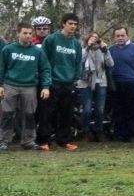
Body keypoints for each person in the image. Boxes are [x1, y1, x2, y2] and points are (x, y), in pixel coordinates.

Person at [1, 22, 48, 151]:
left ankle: (28, 142)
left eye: (29, 33)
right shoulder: (8, 49)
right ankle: (4, 141)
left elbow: (45, 69)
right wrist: (0, 85)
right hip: (10, 85)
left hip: (30, 87)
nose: (28, 36)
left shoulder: (37, 51)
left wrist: (45, 86)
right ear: (18, 33)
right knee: (7, 114)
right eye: (25, 33)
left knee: (29, 115)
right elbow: (1, 67)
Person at [40, 14, 84, 150]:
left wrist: (74, 79)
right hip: (52, 82)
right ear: (63, 24)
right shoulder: (51, 39)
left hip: (68, 84)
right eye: (70, 23)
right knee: (47, 113)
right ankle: (44, 141)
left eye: (75, 24)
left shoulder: (76, 43)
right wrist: (46, 82)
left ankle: (64, 141)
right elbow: (43, 61)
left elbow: (78, 64)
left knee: (67, 114)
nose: (73, 26)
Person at [108, 27, 134, 141]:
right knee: (118, 110)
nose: (120, 38)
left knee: (132, 109)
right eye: (118, 36)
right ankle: (119, 133)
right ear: (114, 37)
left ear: (127, 36)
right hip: (116, 84)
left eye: (122, 35)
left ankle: (132, 134)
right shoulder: (111, 49)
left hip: (132, 83)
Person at [80, 31, 109, 140]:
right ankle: (86, 131)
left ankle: (99, 131)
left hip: (101, 82)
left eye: (96, 38)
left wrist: (106, 51)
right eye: (92, 38)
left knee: (100, 109)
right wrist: (88, 47)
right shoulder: (83, 50)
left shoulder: (102, 51)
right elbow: (80, 61)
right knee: (87, 109)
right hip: (85, 82)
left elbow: (110, 64)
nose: (94, 40)